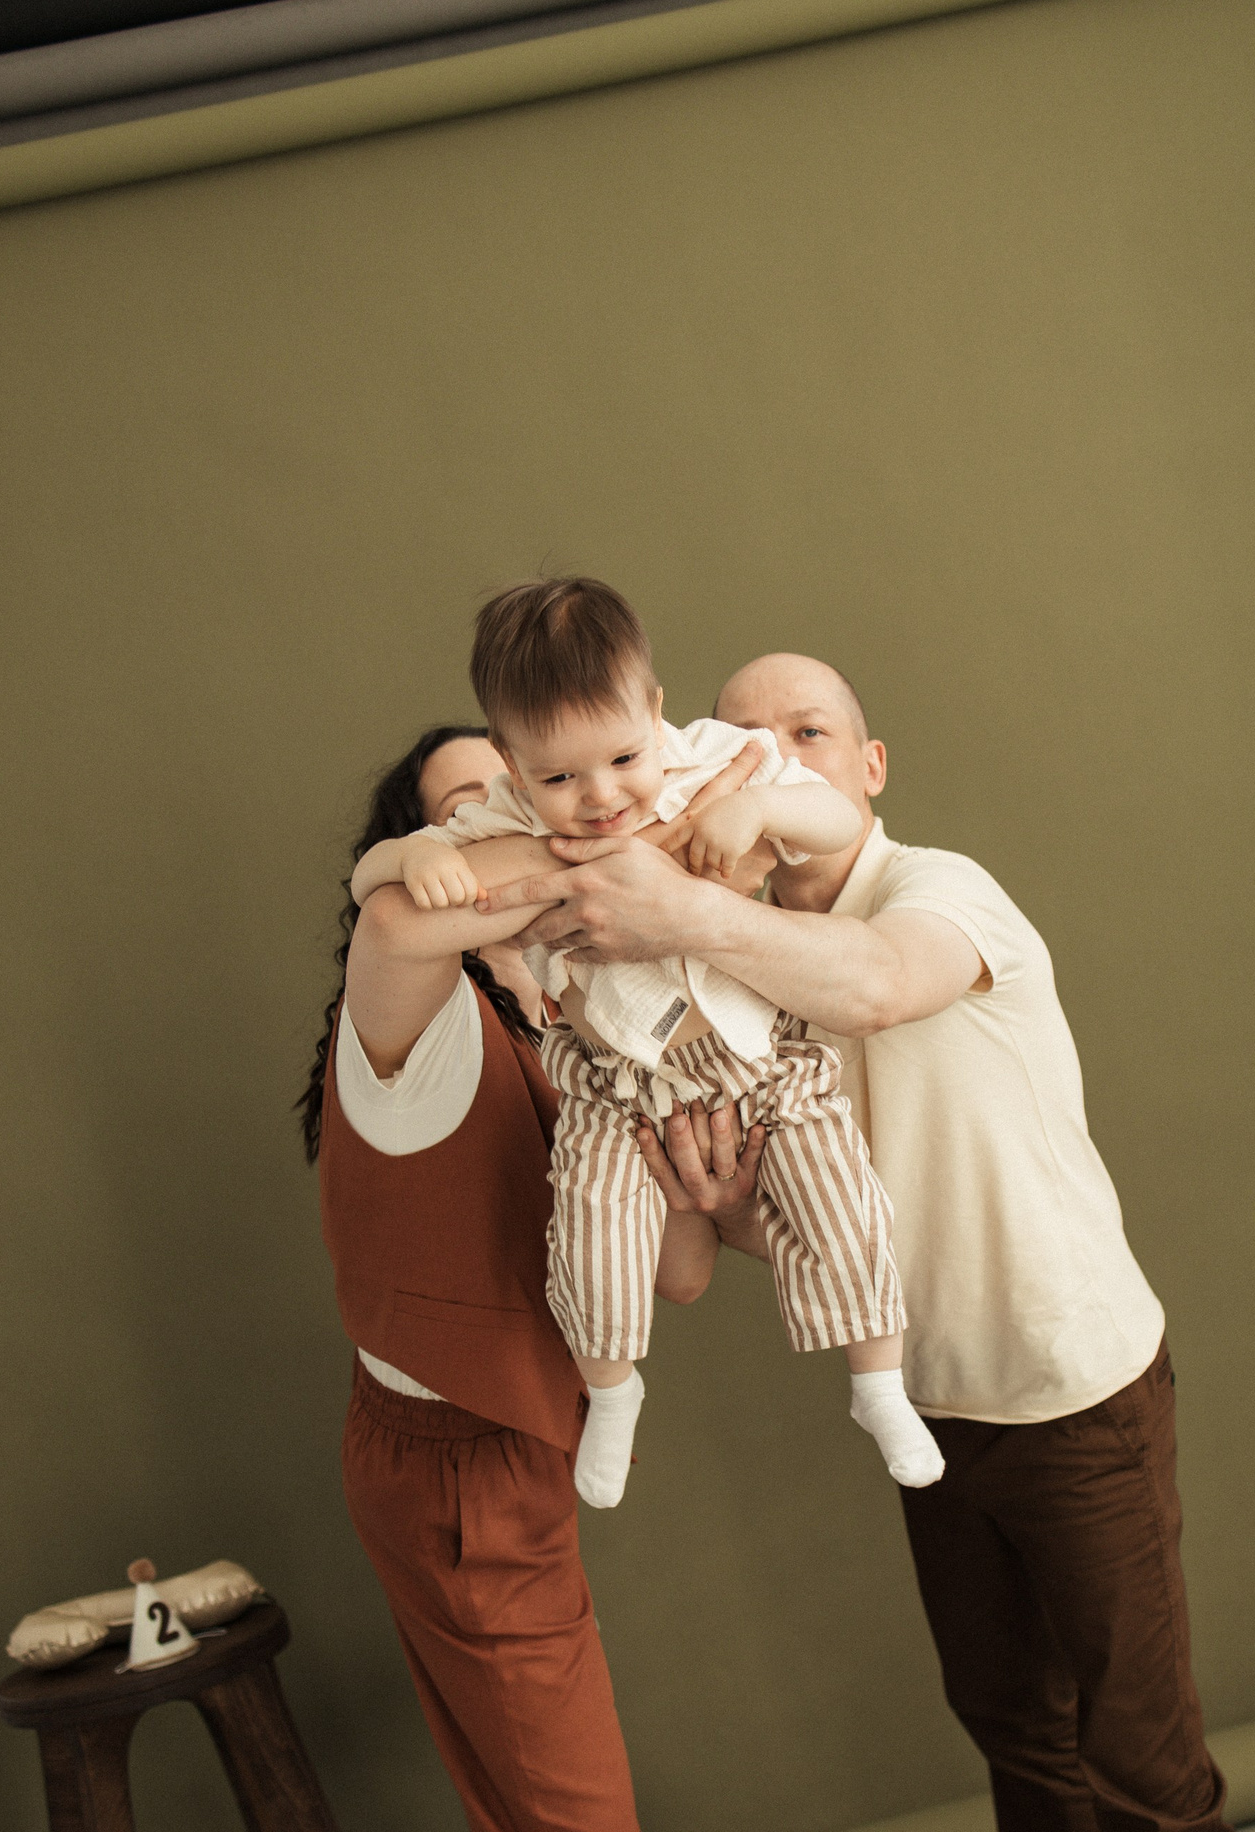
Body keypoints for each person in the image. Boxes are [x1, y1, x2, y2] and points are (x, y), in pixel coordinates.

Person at [477, 656, 1251, 1832]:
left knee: (1146, 1762)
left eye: (807, 732)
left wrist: (686, 912)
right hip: (934, 1407)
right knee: (1002, 1708)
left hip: (1075, 1391)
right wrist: (715, 1196)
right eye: (745, 734)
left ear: (866, 767)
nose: (772, 756)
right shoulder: (732, 974)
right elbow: (821, 1228)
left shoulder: (942, 894)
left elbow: (888, 986)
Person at [298, 720, 814, 1832]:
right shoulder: (407, 1005)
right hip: (459, 1484)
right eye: (476, 803)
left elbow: (668, 1280)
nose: (522, 824)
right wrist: (640, 836)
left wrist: (703, 1189)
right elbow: (407, 907)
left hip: (514, 1467)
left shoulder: (563, 1017)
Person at [350, 578, 943, 1509]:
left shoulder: (711, 761)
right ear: (512, 763)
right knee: (590, 1238)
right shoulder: (504, 816)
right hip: (616, 1087)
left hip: (752, 1061)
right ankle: (614, 1391)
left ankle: (878, 1385)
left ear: (656, 712)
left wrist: (761, 811)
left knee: (844, 1202)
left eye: (625, 758)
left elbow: (834, 817)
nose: (601, 798)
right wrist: (418, 853)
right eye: (559, 779)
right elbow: (377, 889)